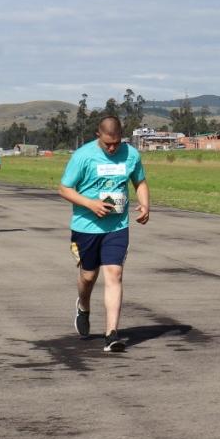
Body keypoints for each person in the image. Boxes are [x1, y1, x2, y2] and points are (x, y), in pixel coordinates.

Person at [58, 116, 149, 352]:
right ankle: (84, 306)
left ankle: (111, 334)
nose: (112, 148)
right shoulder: (83, 156)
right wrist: (90, 204)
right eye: (107, 143)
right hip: (86, 226)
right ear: (98, 135)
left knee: (114, 274)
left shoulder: (130, 154)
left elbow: (139, 181)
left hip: (117, 226)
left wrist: (145, 204)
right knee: (88, 277)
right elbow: (64, 188)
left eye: (116, 143)